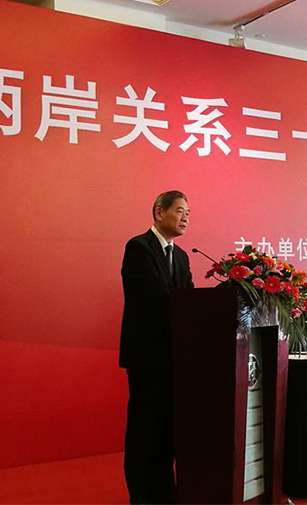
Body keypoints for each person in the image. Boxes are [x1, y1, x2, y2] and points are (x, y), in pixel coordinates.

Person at [119, 190, 194, 504]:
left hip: (173, 357)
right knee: (145, 427)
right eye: (179, 211)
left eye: (188, 213)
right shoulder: (139, 248)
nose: (185, 218)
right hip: (147, 356)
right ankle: (142, 494)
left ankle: (165, 491)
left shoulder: (182, 256)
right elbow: (155, 297)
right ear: (159, 212)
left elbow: (189, 300)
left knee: (167, 428)